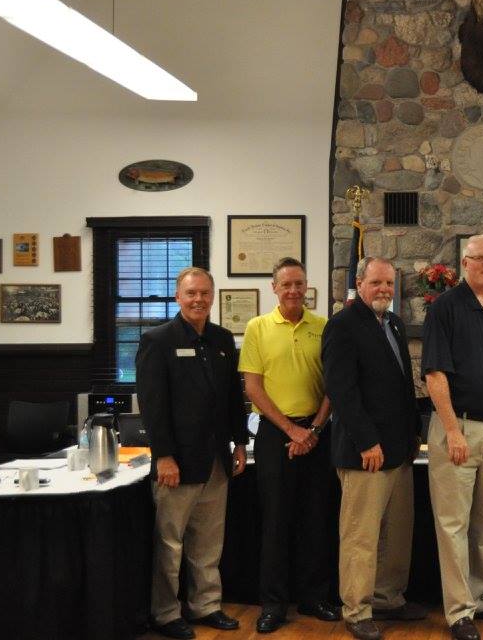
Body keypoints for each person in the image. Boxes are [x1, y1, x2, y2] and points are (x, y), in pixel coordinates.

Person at [136, 267, 248, 640]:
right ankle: (165, 613)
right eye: (191, 293)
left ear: (213, 297)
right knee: (170, 544)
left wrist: (240, 443)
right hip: (177, 463)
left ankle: (205, 606)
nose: (198, 299)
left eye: (204, 293)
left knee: (208, 542)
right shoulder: (158, 340)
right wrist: (163, 456)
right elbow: (153, 407)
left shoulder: (220, 339)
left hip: (216, 459)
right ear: (177, 296)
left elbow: (234, 397)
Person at [322, 257, 425, 640]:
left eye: (389, 284)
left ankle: (387, 598)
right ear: (359, 284)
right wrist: (367, 441)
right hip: (364, 451)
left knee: (397, 533)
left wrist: (415, 433)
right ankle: (357, 609)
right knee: (361, 536)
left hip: (399, 450)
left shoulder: (393, 323)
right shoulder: (342, 326)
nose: (384, 290)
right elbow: (341, 392)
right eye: (376, 283)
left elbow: (401, 386)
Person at [422, 234, 483, 640]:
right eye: (479, 258)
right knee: (453, 525)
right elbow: (435, 375)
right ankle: (459, 612)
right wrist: (451, 430)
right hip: (457, 429)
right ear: (464, 263)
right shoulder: (444, 308)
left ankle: (481, 599)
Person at [238, 257, 341, 634]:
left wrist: (312, 429)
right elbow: (252, 387)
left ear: (306, 287)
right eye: (287, 285)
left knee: (317, 518)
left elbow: (333, 386)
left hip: (318, 432)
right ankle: (274, 604)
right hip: (274, 435)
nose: (294, 290)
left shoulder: (323, 326)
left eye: (299, 284)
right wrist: (291, 431)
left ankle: (315, 597)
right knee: (276, 522)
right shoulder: (257, 327)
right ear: (274, 288)